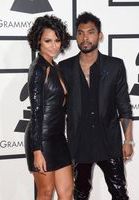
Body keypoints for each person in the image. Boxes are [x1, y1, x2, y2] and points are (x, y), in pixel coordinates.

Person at [59, 12, 133, 200]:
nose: (85, 38)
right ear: (76, 36)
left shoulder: (115, 66)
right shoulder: (64, 68)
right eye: (81, 33)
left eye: (90, 32)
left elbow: (123, 104)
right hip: (78, 142)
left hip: (108, 141)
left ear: (99, 35)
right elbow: (59, 108)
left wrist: (128, 140)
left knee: (119, 192)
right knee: (80, 193)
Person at [24, 15, 73, 200]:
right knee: (45, 193)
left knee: (67, 192)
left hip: (58, 137)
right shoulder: (38, 68)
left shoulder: (55, 67)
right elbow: (36, 111)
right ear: (38, 41)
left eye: (57, 40)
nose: (54, 45)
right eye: (48, 41)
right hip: (41, 139)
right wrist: (37, 150)